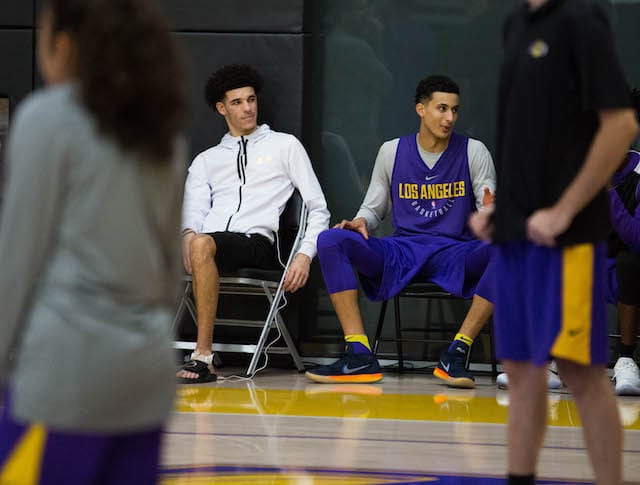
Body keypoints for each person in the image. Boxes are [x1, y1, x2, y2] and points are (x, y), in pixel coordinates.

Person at [0, 0, 187, 483]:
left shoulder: (48, 118)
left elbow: (16, 261)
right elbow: (169, 276)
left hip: (68, 368)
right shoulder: (162, 130)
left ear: (63, 42)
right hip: (145, 372)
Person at [469, 0, 639, 483]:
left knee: (579, 370)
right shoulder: (516, 25)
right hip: (515, 236)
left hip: (566, 241)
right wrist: (506, 208)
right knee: (522, 372)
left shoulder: (582, 20)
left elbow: (620, 125)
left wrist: (565, 209)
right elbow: (532, 138)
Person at [306, 74, 496, 387]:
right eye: (442, 108)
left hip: (455, 252)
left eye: (455, 110)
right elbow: (373, 209)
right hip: (403, 251)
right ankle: (358, 353)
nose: (450, 118)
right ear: (421, 109)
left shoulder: (474, 152)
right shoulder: (392, 152)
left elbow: (489, 207)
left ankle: (458, 351)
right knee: (331, 239)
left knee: (511, 247)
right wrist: (361, 222)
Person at [177, 64, 330, 383]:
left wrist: (304, 255)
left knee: (201, 243)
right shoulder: (207, 160)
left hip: (257, 245)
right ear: (221, 108)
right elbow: (192, 214)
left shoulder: (285, 146)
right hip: (212, 245)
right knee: (192, 240)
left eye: (251, 100)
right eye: (237, 102)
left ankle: (202, 358)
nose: (247, 108)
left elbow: (318, 208)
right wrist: (187, 238)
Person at [609, 145, 640, 395]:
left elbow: (637, 238)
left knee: (630, 262)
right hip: (591, 250)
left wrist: (607, 191)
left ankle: (626, 358)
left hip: (629, 254)